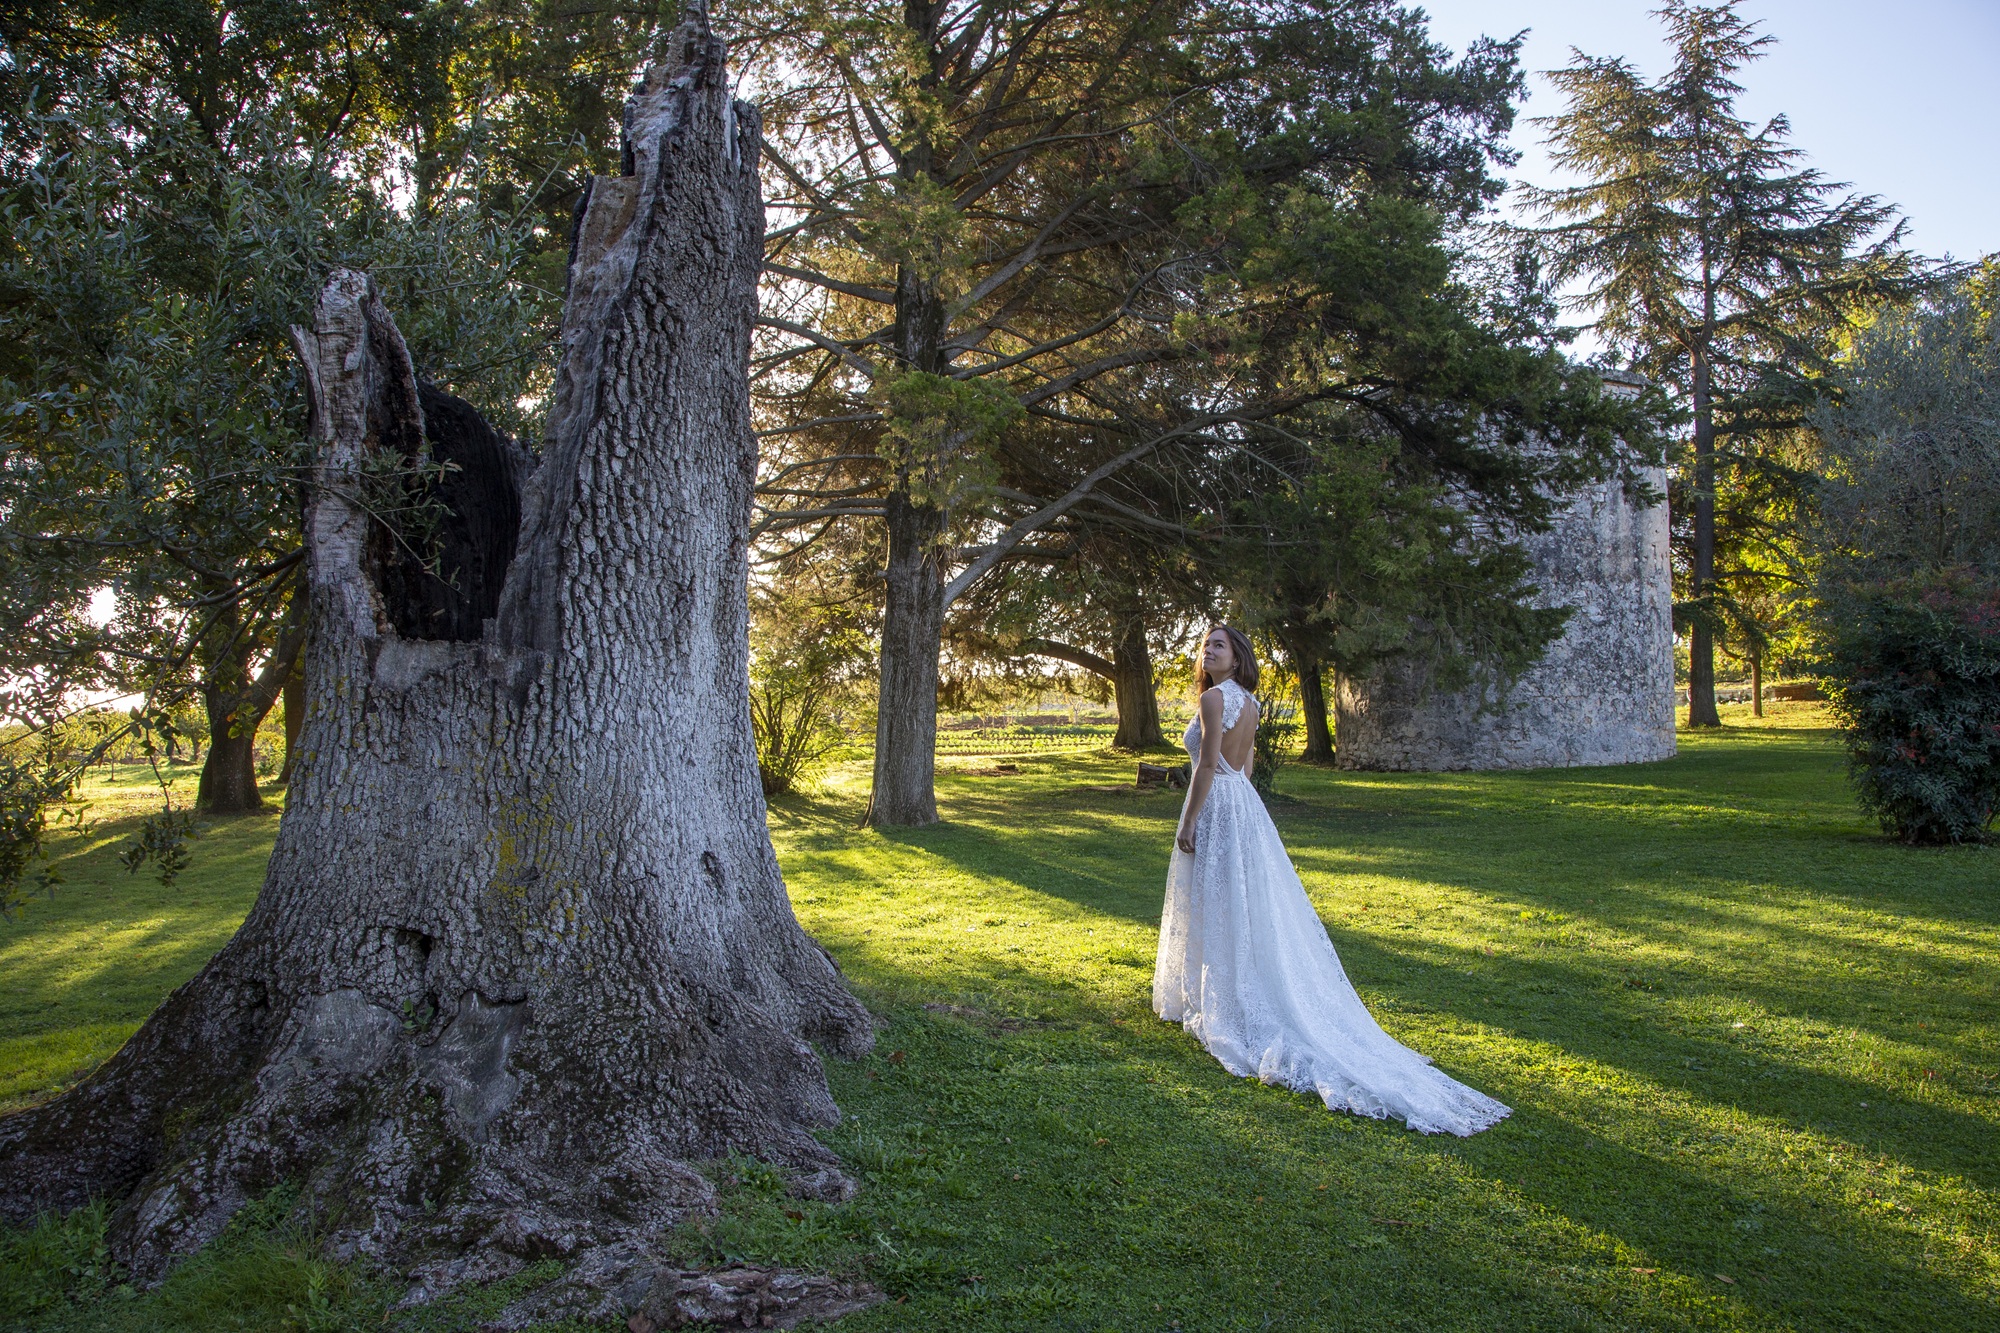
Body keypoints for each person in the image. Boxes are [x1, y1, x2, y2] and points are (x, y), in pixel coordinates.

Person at [1152, 625, 1510, 1136]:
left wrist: (1190, 820)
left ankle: (1224, 1002)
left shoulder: (1214, 699)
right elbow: (1245, 770)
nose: (1208, 651)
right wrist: (1237, 809)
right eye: (1206, 645)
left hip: (1216, 806)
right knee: (1239, 901)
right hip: (1243, 808)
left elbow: (1209, 764)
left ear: (1237, 658)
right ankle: (1227, 989)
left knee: (1218, 900)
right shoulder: (1250, 704)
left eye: (1219, 646)